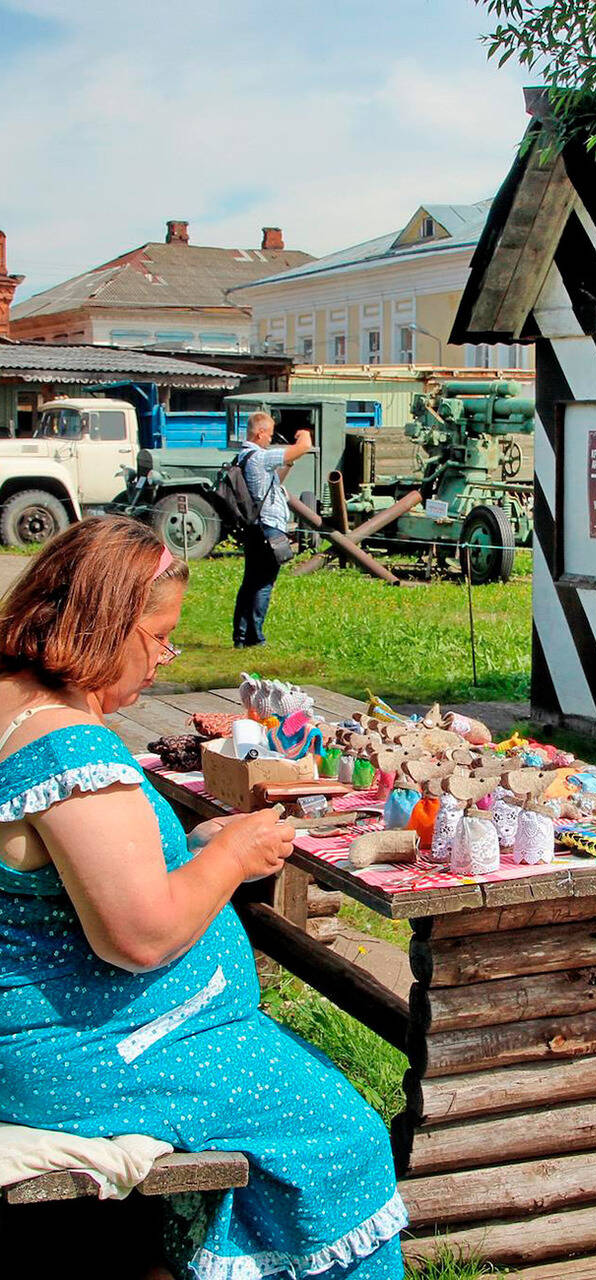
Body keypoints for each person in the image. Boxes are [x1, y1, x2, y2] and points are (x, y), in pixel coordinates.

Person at [0, 517, 405, 1277]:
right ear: (103, 623)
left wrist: (194, 853)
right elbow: (140, 937)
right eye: (158, 635)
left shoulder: (9, 705)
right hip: (89, 1054)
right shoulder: (68, 745)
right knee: (341, 1134)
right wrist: (237, 855)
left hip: (39, 1035)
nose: (163, 658)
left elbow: (63, 876)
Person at [232, 412, 312, 649]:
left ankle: (241, 636)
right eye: (269, 433)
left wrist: (287, 463)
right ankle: (255, 638)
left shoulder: (243, 456)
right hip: (268, 527)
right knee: (263, 583)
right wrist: (304, 434)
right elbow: (304, 446)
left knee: (250, 582)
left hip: (254, 527)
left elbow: (272, 481)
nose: (271, 438)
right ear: (259, 433)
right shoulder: (259, 457)